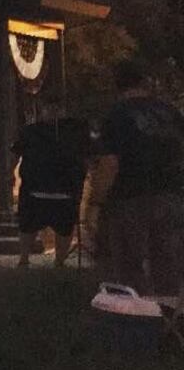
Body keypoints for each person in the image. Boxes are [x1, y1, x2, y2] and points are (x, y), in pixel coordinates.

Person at [88, 60, 184, 298]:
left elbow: (110, 164)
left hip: (130, 198)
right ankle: (170, 317)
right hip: (170, 196)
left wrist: (95, 204)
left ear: (117, 84)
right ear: (144, 81)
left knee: (130, 263)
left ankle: (138, 316)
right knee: (168, 262)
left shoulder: (117, 115)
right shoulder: (169, 113)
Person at [13, 115, 87, 268]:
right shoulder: (74, 132)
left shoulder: (31, 131)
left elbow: (17, 152)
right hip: (61, 189)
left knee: (30, 226)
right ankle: (56, 261)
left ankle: (25, 260)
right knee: (62, 228)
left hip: (40, 188)